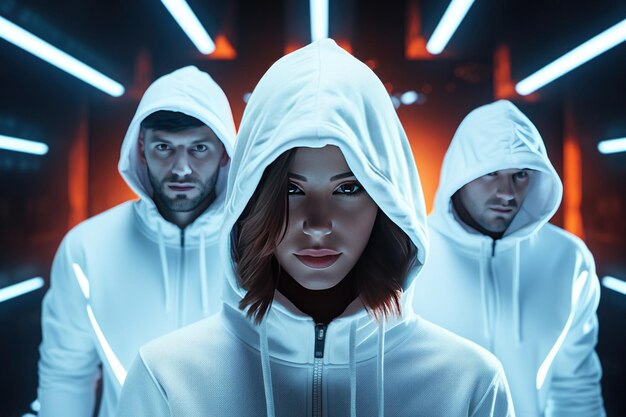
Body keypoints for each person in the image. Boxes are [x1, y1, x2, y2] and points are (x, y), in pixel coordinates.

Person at [116, 40, 514, 417]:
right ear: (251, 199)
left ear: (388, 201)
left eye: (348, 188)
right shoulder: (167, 378)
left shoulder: (468, 384)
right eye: (291, 189)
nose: (318, 225)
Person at [37, 66, 236, 417]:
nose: (181, 168)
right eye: (164, 147)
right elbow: (66, 375)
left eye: (199, 148)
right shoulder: (88, 248)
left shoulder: (260, 245)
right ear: (141, 149)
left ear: (224, 152)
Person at [411, 100, 605, 416]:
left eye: (521, 175)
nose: (506, 193)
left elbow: (575, 388)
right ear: (459, 174)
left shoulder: (567, 260)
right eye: (490, 174)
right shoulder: (410, 256)